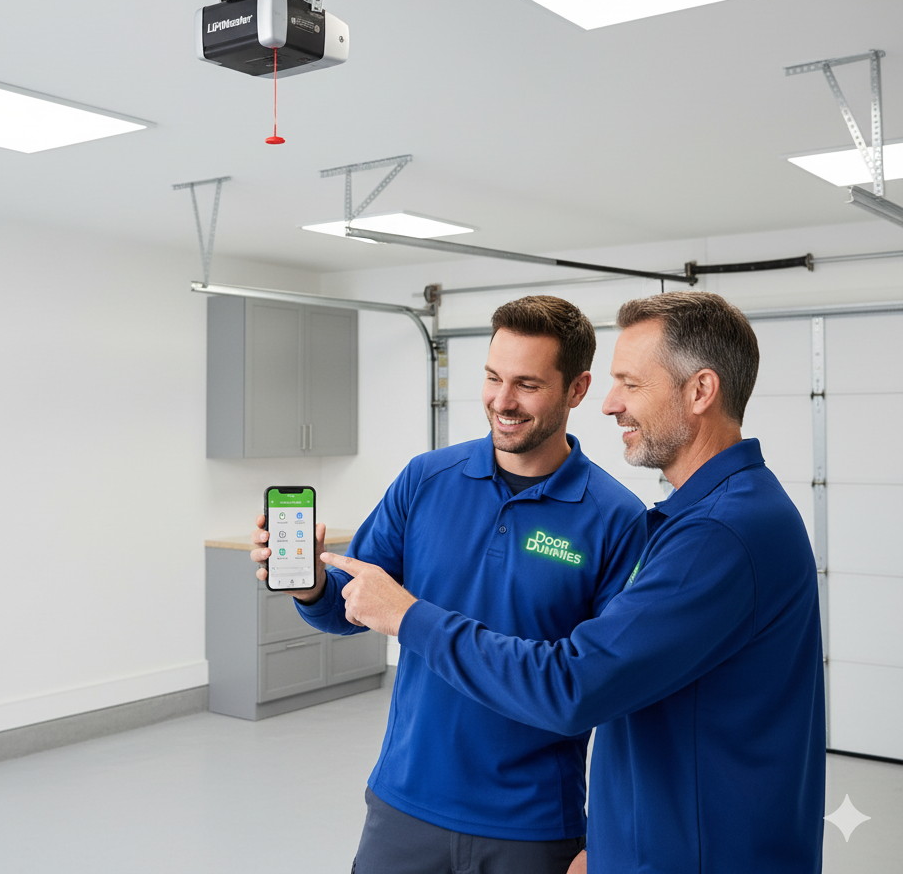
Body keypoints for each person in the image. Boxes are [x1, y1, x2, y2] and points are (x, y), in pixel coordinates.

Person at [326, 291, 825, 874]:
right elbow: (638, 688)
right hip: (437, 807)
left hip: (672, 849)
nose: (613, 404)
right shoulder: (702, 517)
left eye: (631, 384)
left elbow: (577, 685)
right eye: (492, 377)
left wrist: (410, 617)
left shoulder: (712, 534)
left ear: (699, 391)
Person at [251, 296, 647, 874]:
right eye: (492, 377)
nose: (502, 402)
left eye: (527, 385)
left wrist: (606, 841)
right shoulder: (425, 480)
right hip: (404, 807)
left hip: (532, 825)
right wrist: (311, 585)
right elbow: (349, 605)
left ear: (578, 389)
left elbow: (616, 694)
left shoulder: (617, 519)